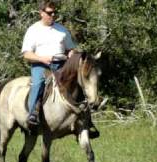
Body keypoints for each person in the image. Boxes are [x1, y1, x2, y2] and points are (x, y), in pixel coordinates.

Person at [21, 1, 99, 138]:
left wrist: (71, 54)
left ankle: (87, 121)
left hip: (61, 65)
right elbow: (26, 54)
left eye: (54, 12)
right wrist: (42, 58)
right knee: (39, 83)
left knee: (79, 83)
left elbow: (71, 49)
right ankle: (32, 114)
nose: (53, 15)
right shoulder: (33, 30)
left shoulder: (62, 30)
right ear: (41, 13)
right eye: (49, 13)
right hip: (41, 65)